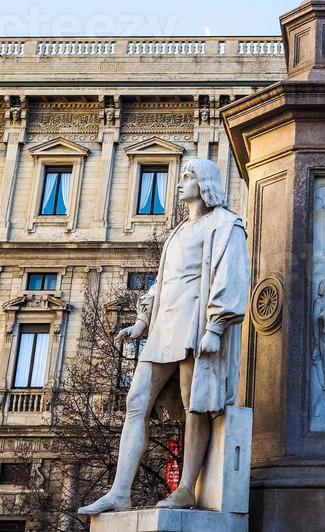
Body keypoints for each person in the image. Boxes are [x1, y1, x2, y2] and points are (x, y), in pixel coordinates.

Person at [79, 158, 249, 515]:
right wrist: (141, 320)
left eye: (187, 177)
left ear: (204, 183)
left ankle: (186, 488)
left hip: (194, 326)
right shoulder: (177, 232)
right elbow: (162, 281)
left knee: (195, 407)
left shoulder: (225, 225)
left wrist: (216, 327)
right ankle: (120, 491)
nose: (180, 183)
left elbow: (231, 276)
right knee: (136, 402)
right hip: (163, 327)